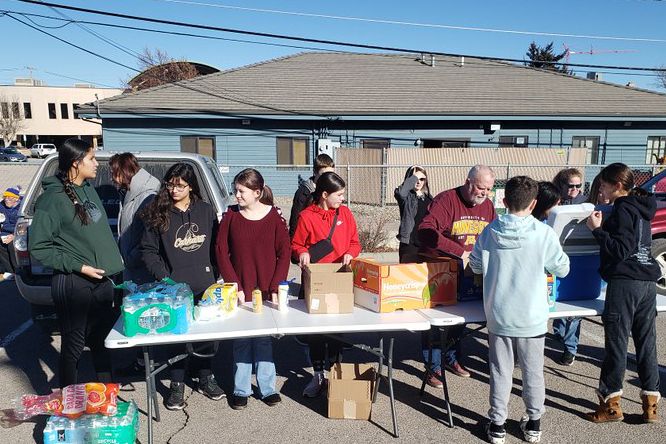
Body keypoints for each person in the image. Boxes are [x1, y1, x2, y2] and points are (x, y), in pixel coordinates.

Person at [470, 176, 570, 444]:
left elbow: (476, 265)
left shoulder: (489, 231)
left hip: (500, 315)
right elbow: (563, 268)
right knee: (533, 372)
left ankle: (498, 424)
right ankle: (534, 422)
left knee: (500, 372)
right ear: (534, 203)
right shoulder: (543, 233)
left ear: (503, 202)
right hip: (532, 317)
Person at [29, 138, 124, 388]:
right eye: (91, 158)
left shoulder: (88, 189)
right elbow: (39, 247)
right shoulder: (52, 200)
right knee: (73, 346)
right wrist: (80, 267)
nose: (96, 163)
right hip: (74, 283)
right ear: (75, 163)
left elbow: (96, 236)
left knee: (101, 342)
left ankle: (108, 398)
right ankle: (69, 406)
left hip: (101, 281)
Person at [140, 163, 224, 410]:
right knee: (177, 337)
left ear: (191, 186)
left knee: (208, 337)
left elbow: (216, 246)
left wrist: (215, 273)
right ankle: (177, 384)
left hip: (205, 285)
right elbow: (148, 250)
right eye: (170, 184)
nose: (174, 190)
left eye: (180, 185)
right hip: (174, 289)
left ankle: (205, 376)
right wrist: (165, 278)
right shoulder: (158, 211)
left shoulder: (206, 211)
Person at [585, 163, 661, 424]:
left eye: (604, 185)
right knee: (646, 343)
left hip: (625, 281)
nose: (602, 191)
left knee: (617, 343)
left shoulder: (622, 209)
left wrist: (597, 230)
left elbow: (620, 250)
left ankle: (610, 404)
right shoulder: (642, 208)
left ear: (617, 186)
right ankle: (651, 404)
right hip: (646, 281)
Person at [216, 168, 290, 410]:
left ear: (257, 193)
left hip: (266, 289)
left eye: (241, 191)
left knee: (264, 341)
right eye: (235, 190)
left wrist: (278, 285)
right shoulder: (231, 216)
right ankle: (241, 389)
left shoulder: (274, 217)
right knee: (241, 340)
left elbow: (284, 252)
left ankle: (267, 388)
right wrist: (233, 284)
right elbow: (221, 252)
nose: (236, 195)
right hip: (240, 288)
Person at [417, 165, 497, 381]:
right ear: (468, 182)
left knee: (460, 319)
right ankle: (432, 365)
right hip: (440, 268)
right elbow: (426, 230)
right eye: (481, 188)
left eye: (488, 189)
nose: (485, 193)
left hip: (470, 271)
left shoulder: (487, 206)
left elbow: (494, 233)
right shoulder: (446, 200)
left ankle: (451, 358)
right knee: (435, 319)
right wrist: (459, 252)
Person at [292, 172, 361, 397]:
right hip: (316, 281)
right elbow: (297, 244)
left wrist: (350, 254)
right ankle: (317, 374)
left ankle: (334, 375)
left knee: (336, 334)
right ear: (324, 194)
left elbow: (354, 242)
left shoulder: (346, 213)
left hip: (340, 279)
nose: (343, 198)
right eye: (339, 194)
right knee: (316, 334)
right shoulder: (306, 216)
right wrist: (302, 253)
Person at [551, 168, 588, 366]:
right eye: (570, 186)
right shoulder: (554, 201)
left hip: (579, 258)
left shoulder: (586, 205)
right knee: (557, 300)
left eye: (578, 186)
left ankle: (570, 348)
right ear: (561, 185)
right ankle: (558, 330)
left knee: (574, 310)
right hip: (556, 258)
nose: (574, 189)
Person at [109, 153, 160, 284]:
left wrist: (132, 258)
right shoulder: (127, 195)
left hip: (142, 273)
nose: (111, 178)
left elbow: (150, 236)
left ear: (123, 172)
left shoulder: (148, 197)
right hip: (131, 271)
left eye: (113, 173)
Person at [289, 153, 335, 239]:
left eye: (331, 174)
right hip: (308, 238)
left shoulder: (333, 191)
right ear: (314, 172)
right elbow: (295, 221)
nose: (328, 178)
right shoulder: (303, 193)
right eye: (324, 175)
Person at [395, 165, 432, 263]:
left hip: (426, 245)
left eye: (421, 179)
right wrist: (414, 177)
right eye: (415, 178)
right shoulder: (406, 197)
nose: (418, 181)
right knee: (408, 275)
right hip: (409, 244)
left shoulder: (429, 198)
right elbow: (401, 193)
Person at [0, 185, 21, 281]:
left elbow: (23, 226)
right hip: (4, 233)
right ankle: (10, 271)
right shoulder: (2, 206)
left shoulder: (21, 208)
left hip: (18, 234)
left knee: (12, 245)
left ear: (16, 199)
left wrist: (14, 236)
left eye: (9, 198)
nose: (6, 200)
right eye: (5, 197)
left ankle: (17, 271)